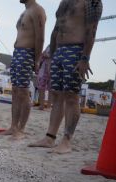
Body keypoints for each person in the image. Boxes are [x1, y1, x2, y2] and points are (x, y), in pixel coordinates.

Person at [29, 0, 102, 153]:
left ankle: (66, 141)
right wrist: (52, 54)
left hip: (76, 49)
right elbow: (56, 29)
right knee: (57, 96)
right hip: (58, 52)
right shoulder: (64, 1)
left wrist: (85, 58)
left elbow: (92, 29)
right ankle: (50, 137)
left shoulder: (92, 1)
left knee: (71, 96)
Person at [1, 0, 46, 140]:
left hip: (27, 52)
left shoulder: (37, 10)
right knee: (15, 90)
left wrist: (37, 59)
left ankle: (21, 128)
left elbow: (40, 37)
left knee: (23, 91)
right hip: (18, 52)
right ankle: (13, 126)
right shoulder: (25, 11)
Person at [36, 46, 52, 110]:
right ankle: (42, 105)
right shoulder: (49, 45)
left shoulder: (58, 45)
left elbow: (45, 54)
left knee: (51, 88)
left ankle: (48, 106)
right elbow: (43, 54)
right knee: (41, 88)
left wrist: (47, 55)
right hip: (44, 68)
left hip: (51, 68)